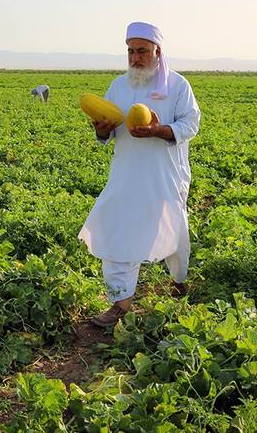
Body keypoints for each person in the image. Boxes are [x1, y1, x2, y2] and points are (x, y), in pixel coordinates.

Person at [78, 21, 201, 328]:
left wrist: (161, 130)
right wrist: (101, 131)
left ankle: (178, 281)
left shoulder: (177, 85)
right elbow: (106, 128)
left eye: (142, 51)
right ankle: (120, 303)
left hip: (165, 175)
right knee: (118, 229)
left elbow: (191, 124)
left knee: (172, 227)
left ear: (158, 51)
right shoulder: (119, 86)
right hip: (126, 174)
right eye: (131, 52)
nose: (136, 58)